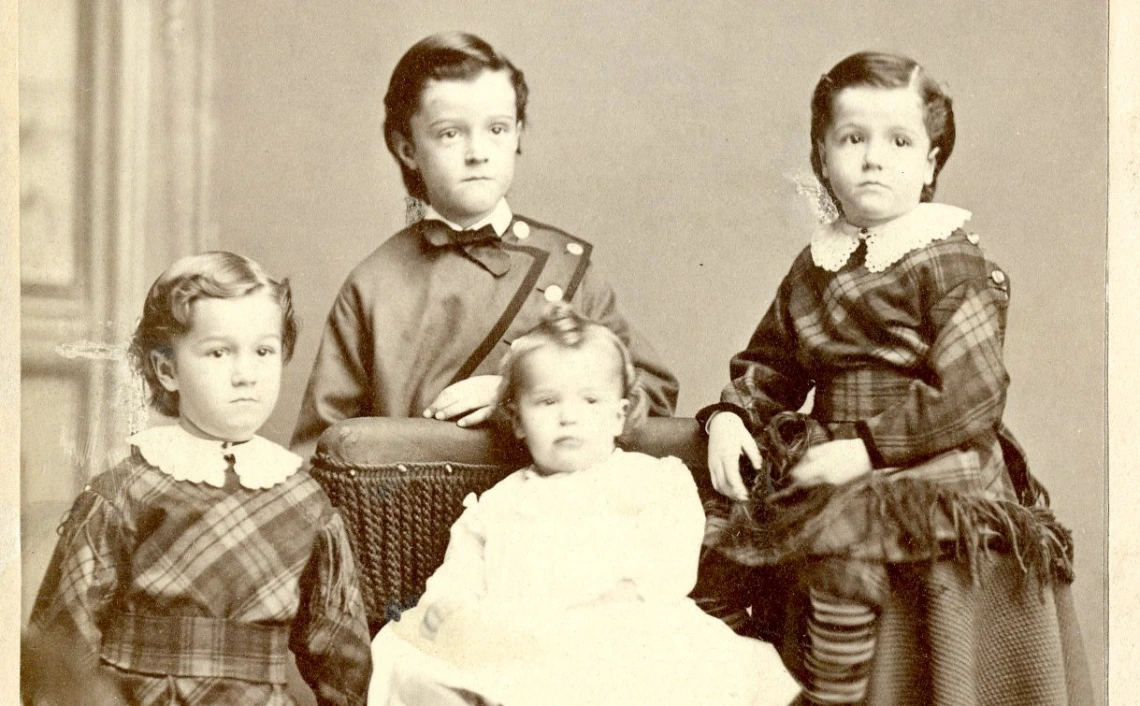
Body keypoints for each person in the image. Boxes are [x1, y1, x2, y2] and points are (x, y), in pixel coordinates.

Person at [695, 52, 1092, 705]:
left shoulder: (949, 261)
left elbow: (972, 394)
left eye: (899, 141)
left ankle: (835, 694)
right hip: (832, 446)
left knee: (844, 534)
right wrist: (732, 417)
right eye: (854, 139)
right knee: (718, 530)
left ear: (932, 161)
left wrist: (866, 451)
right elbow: (773, 361)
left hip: (930, 454)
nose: (874, 158)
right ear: (823, 157)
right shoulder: (816, 265)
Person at [367, 303, 800, 706]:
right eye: (547, 402)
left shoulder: (652, 480)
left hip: (624, 637)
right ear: (517, 419)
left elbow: (668, 570)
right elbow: (456, 582)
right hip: (519, 644)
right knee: (407, 659)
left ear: (619, 414)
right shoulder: (500, 505)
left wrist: (589, 615)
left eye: (590, 400)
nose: (568, 417)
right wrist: (450, 620)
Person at [290, 32, 678, 459]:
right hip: (406, 518)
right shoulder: (374, 285)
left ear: (517, 135)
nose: (478, 152)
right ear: (408, 149)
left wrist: (518, 394)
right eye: (450, 134)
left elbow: (650, 400)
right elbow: (325, 452)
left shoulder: (567, 269)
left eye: (496, 129)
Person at [28, 252, 372, 706]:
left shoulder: (304, 502)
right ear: (168, 370)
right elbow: (64, 640)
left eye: (263, 351)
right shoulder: (125, 491)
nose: (246, 375)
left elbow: (343, 655)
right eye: (219, 352)